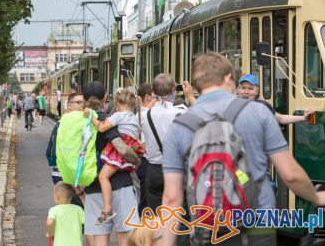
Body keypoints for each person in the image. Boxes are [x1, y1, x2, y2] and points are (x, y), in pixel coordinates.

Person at [161, 53, 325, 246]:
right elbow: (290, 175)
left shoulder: (179, 126)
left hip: (208, 226)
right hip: (258, 224)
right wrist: (316, 197)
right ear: (229, 77)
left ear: (196, 84)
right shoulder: (259, 112)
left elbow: (172, 198)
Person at [81, 81, 140, 246]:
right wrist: (137, 161)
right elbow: (122, 148)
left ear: (83, 99)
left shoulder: (77, 120)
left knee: (99, 238)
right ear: (105, 98)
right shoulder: (108, 120)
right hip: (121, 185)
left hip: (92, 186)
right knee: (125, 234)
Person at [139, 73, 186, 213]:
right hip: (176, 170)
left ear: (153, 92)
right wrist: (189, 95)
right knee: (178, 216)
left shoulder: (144, 115)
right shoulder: (181, 112)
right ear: (173, 90)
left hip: (154, 170)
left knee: (157, 216)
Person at [49, 92, 85, 208]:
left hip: (69, 174)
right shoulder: (65, 124)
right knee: (77, 210)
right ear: (69, 105)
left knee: (72, 211)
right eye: (78, 102)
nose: (82, 106)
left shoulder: (80, 123)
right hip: (67, 175)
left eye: (84, 103)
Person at [238, 73, 315, 124]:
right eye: (243, 88)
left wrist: (304, 118)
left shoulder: (263, 106)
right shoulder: (231, 105)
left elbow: (280, 118)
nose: (246, 92)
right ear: (238, 89)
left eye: (250, 89)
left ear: (257, 91)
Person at [136, 83, 154, 217]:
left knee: (146, 198)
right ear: (147, 97)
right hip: (146, 160)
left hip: (143, 162)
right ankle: (144, 231)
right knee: (147, 200)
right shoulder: (145, 113)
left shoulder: (141, 112)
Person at [46, 181, 84, 246]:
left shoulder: (54, 210)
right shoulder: (78, 209)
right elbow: (88, 222)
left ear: (56, 196)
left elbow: (50, 223)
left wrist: (50, 233)